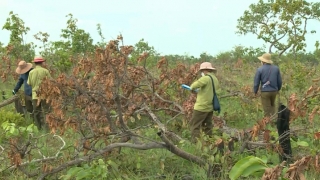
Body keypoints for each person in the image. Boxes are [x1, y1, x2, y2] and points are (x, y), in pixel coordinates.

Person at [189, 62, 219, 142]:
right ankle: (209, 142)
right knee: (207, 126)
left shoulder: (206, 78)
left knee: (195, 125)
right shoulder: (215, 79)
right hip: (210, 106)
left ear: (205, 70)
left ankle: (196, 143)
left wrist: (193, 89)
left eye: (202, 71)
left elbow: (193, 86)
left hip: (201, 107)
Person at [253, 53, 282, 117]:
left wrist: (255, 91)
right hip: (274, 91)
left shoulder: (260, 69)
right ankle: (273, 121)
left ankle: (268, 122)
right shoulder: (276, 68)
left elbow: (256, 82)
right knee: (272, 106)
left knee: (266, 108)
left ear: (263, 61)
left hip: (265, 92)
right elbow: (279, 81)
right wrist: (277, 89)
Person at [27, 55, 51, 130]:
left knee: (36, 112)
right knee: (47, 111)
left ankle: (39, 128)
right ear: (42, 63)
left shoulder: (31, 72)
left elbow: (29, 83)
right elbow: (50, 82)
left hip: (35, 95)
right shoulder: (45, 71)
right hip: (45, 95)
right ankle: (48, 128)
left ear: (35, 63)